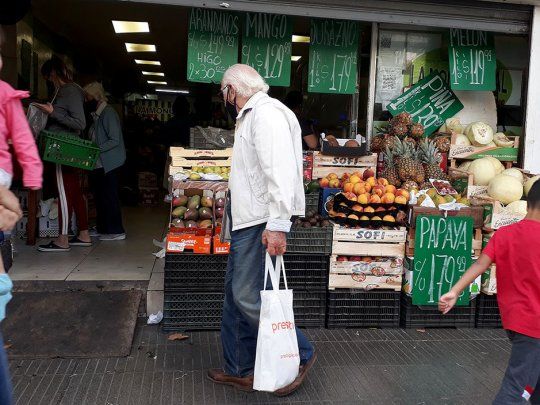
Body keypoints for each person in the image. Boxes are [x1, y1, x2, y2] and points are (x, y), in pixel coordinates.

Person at [207, 64, 316, 396]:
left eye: (224, 93)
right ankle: (241, 368)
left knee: (246, 295)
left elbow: (280, 173)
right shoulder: (253, 114)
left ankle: (299, 353)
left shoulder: (266, 115)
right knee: (234, 297)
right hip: (248, 220)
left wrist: (278, 225)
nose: (225, 100)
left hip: (259, 221)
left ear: (234, 90)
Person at [439, 180, 540, 405]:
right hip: (535, 326)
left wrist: (454, 291)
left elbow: (479, 265)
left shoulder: (504, 234)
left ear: (527, 203)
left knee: (534, 384)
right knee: (515, 390)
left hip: (514, 321)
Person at [36, 57, 89, 252]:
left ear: (52, 74)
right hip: (63, 148)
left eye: (48, 78)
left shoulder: (69, 90)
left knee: (64, 193)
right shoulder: (68, 91)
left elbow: (79, 123)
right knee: (73, 191)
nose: (48, 82)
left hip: (63, 149)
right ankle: (83, 233)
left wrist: (52, 113)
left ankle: (62, 238)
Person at [83, 82, 126, 241]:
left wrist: (96, 149)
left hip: (109, 164)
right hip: (99, 164)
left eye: (88, 97)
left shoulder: (108, 113)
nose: (86, 100)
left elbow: (114, 140)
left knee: (109, 197)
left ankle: (116, 230)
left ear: (96, 96)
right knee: (100, 197)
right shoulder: (97, 115)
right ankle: (103, 227)